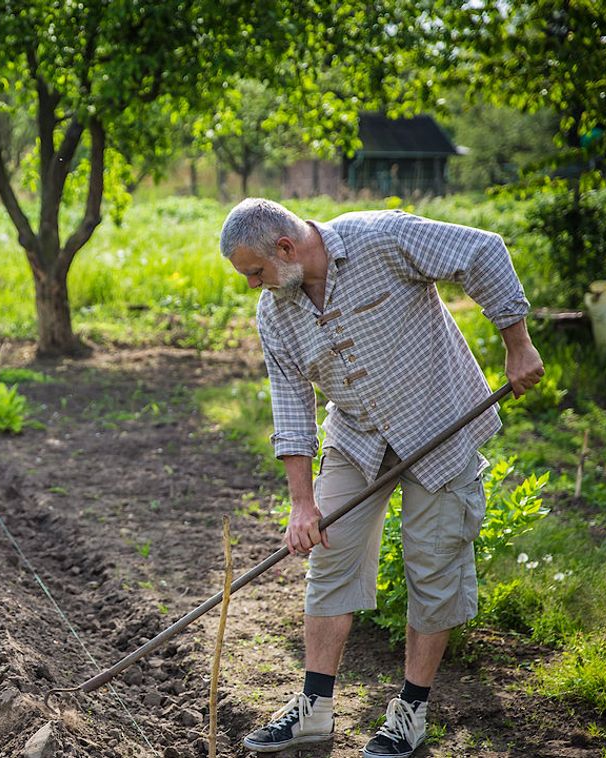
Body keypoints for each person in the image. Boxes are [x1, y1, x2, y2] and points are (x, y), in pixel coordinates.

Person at [219, 199, 544, 757]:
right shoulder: (276, 313)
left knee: (433, 565)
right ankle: (315, 710)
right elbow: (291, 406)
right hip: (358, 437)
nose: (254, 285)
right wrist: (301, 504)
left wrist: (518, 344)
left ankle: (411, 713)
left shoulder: (381, 238)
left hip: (438, 423)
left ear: (285, 249)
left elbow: (482, 251)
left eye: (256, 271)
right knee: (329, 554)